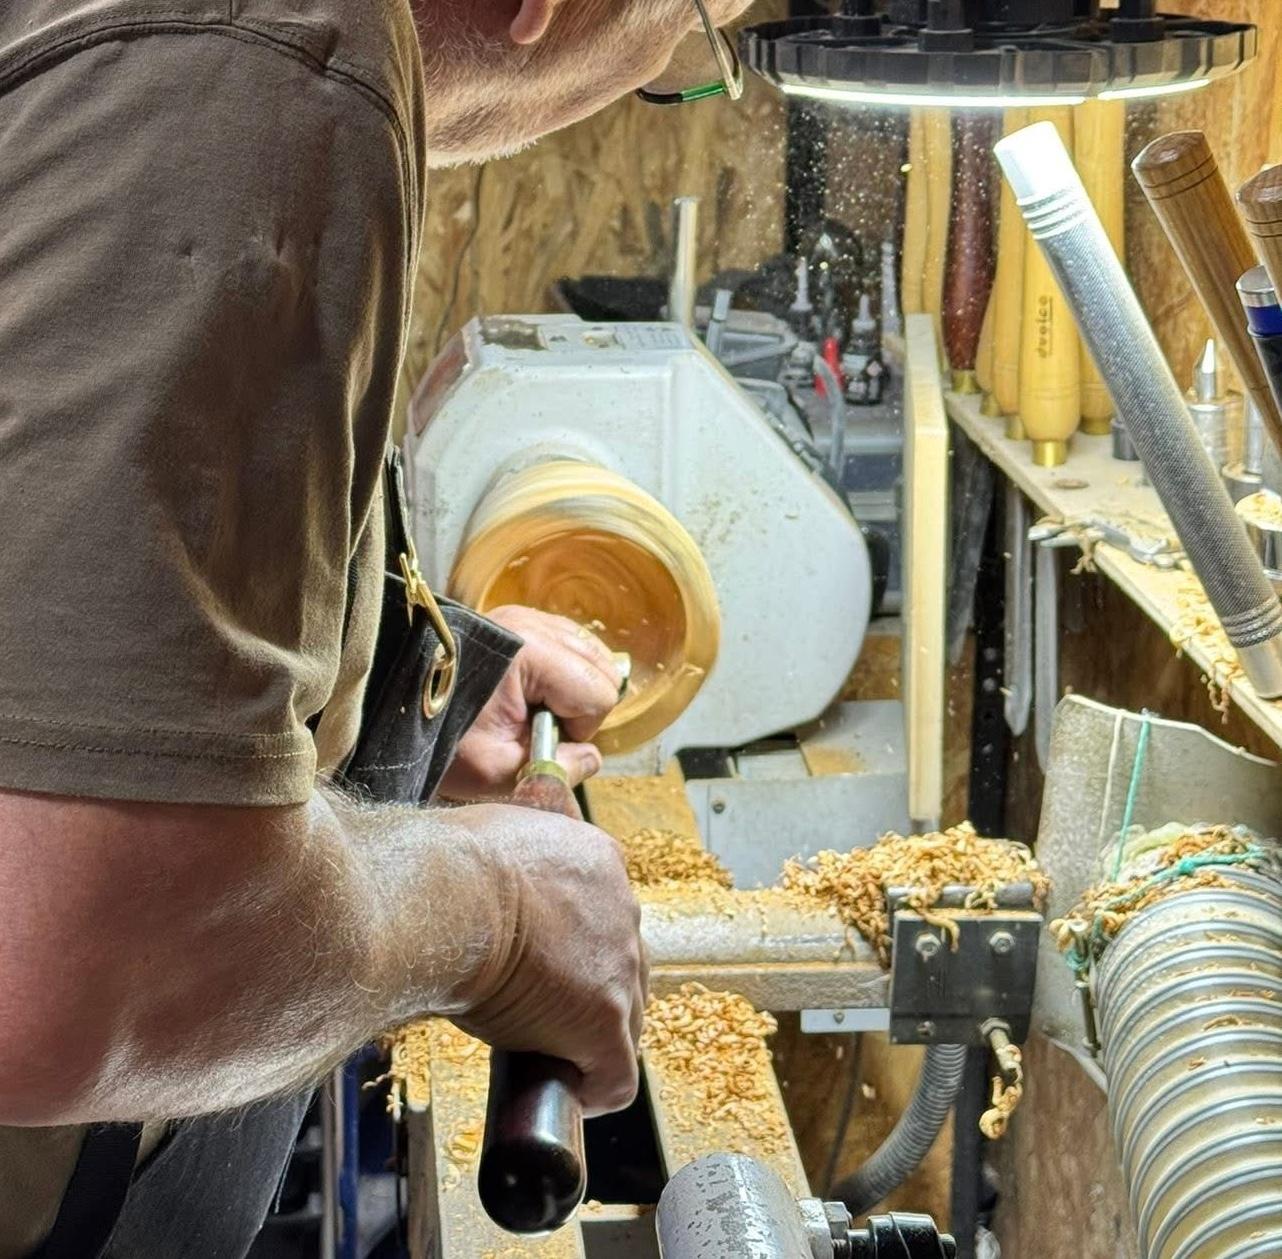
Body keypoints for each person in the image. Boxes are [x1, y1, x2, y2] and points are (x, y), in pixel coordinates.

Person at [0, 0, 751, 1253]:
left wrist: (407, 690)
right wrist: (497, 916)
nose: (645, 82)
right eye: (684, 41)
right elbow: (60, 966)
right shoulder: (258, 56)